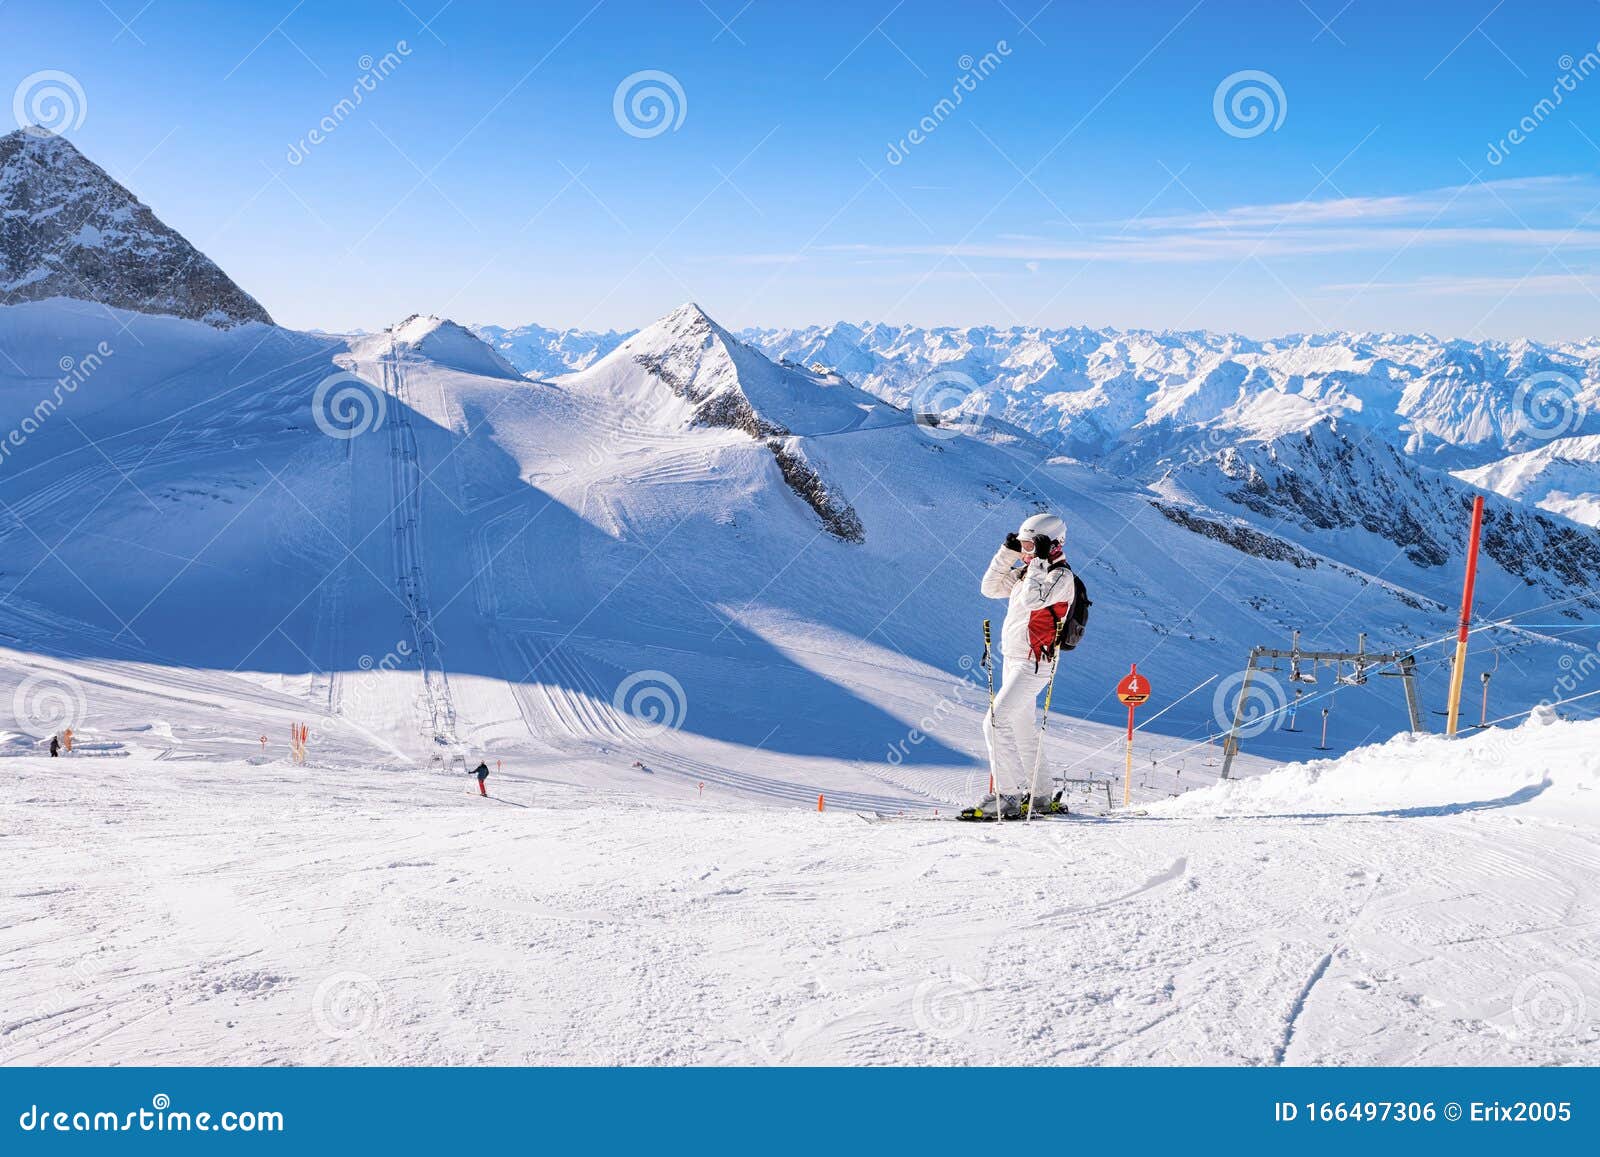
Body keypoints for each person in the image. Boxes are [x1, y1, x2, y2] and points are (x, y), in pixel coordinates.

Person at [976, 512, 1075, 816]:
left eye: (1032, 545)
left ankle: (1007, 797)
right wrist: (1006, 555)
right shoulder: (1027, 572)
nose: (1027, 552)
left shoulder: (1060, 577)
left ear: (1052, 545)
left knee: (994, 722)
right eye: (1024, 545)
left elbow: (1033, 601)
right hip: (1014, 659)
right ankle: (1041, 796)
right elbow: (990, 588)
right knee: (1021, 729)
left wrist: (1038, 564)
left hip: (1034, 663)